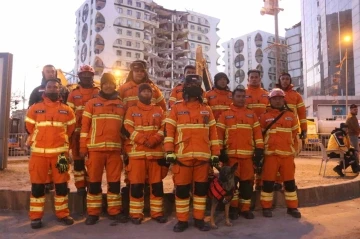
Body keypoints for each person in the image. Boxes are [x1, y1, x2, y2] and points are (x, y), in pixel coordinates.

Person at [164, 74, 220, 232]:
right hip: (182, 157)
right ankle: (182, 220)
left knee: (201, 191)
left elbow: (213, 133)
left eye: (196, 84)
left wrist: (215, 153)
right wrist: (169, 151)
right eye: (190, 84)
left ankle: (199, 219)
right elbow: (169, 131)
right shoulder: (176, 108)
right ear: (184, 87)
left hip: (203, 158)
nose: (193, 87)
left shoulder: (206, 109)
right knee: (181, 191)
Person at [25, 79, 76, 229]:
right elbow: (29, 127)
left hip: (61, 155)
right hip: (39, 155)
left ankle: (63, 214)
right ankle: (35, 217)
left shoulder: (67, 110)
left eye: (55, 87)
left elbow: (70, 130)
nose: (53, 89)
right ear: (45, 89)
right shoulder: (34, 108)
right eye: (50, 87)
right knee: (37, 187)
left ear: (59, 90)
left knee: (61, 186)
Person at [80, 73, 128, 225]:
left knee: (114, 183)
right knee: (94, 182)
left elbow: (125, 130)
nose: (108, 86)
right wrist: (83, 147)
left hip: (114, 151)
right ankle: (93, 213)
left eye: (111, 83)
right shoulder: (91, 104)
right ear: (101, 85)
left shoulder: (121, 105)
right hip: (95, 150)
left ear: (115, 85)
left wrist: (126, 150)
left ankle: (115, 211)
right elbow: (84, 128)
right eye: (105, 83)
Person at [123, 83, 168, 225]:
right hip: (137, 155)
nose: (147, 93)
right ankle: (136, 215)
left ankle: (157, 213)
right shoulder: (131, 110)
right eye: (144, 91)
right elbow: (127, 128)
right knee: (136, 187)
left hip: (155, 154)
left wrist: (155, 139)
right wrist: (142, 139)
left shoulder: (159, 110)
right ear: (139, 94)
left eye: (149, 91)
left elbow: (165, 127)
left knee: (157, 186)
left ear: (153, 94)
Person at [216, 88, 264, 220]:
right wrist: (221, 151)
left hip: (248, 158)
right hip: (231, 158)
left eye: (244, 96)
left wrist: (259, 149)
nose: (242, 98)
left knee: (247, 185)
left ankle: (245, 209)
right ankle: (233, 208)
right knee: (232, 186)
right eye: (239, 96)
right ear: (232, 97)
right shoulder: (225, 115)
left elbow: (257, 134)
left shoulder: (251, 114)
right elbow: (218, 134)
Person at [258, 88, 301, 218]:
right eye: (274, 99)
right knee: (268, 183)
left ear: (283, 100)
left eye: (280, 98)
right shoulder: (264, 117)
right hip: (270, 155)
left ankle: (292, 207)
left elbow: (295, 135)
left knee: (289, 183)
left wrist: (292, 150)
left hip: (287, 156)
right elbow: (259, 135)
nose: (277, 101)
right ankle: (266, 207)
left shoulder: (291, 116)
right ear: (270, 100)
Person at [28, 64, 70, 193]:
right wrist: (34, 135)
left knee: (61, 170)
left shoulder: (64, 90)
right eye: (48, 71)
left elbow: (70, 122)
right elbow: (30, 117)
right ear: (43, 73)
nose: (51, 73)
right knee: (42, 166)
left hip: (59, 143)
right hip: (42, 141)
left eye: (52, 71)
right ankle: (46, 182)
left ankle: (60, 185)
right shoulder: (36, 91)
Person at [67, 65, 100, 195]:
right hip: (76, 133)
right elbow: (69, 114)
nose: (86, 77)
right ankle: (80, 186)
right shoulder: (73, 94)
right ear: (79, 76)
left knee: (92, 161)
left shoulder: (98, 92)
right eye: (84, 75)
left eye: (89, 75)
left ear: (92, 76)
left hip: (94, 133)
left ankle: (92, 184)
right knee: (78, 161)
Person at [274, 72, 307, 190]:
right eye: (283, 79)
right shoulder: (273, 93)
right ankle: (277, 182)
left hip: (291, 132)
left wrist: (304, 129)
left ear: (290, 80)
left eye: (287, 79)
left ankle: (289, 181)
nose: (285, 81)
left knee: (289, 159)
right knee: (275, 157)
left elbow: (302, 114)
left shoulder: (296, 95)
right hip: (276, 131)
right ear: (279, 79)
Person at [245, 69, 269, 190]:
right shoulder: (243, 94)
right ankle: (249, 184)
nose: (254, 79)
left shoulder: (266, 94)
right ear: (248, 79)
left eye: (256, 77)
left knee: (262, 158)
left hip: (264, 131)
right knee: (249, 158)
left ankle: (259, 184)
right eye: (252, 77)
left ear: (260, 79)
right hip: (248, 132)